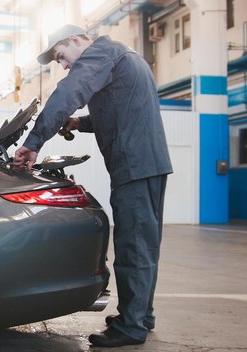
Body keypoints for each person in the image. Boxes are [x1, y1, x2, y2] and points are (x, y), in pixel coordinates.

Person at [13, 24, 173, 347]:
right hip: (149, 163)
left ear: (76, 40)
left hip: (135, 167)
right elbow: (117, 111)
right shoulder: (121, 56)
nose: (65, 65)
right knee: (145, 244)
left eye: (62, 57)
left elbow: (69, 92)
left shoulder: (100, 53)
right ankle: (141, 313)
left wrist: (33, 142)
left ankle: (131, 327)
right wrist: (77, 124)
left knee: (132, 246)